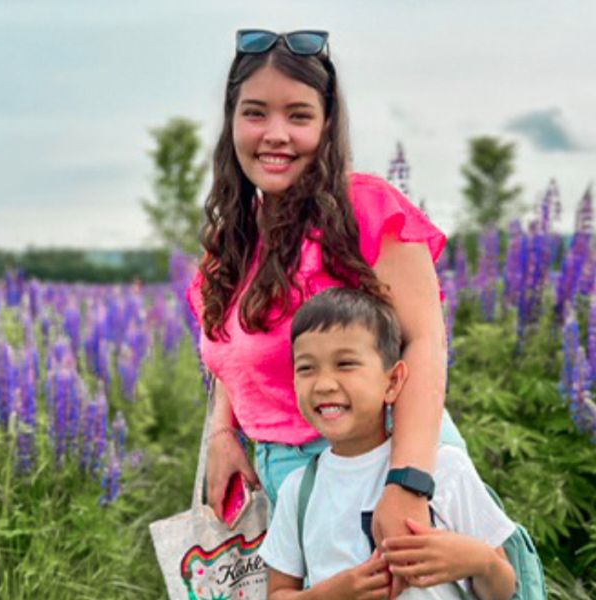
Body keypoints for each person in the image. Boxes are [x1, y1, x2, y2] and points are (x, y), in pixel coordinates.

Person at [185, 29, 467, 594]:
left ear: (328, 126)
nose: (275, 135)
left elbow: (423, 345)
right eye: (255, 113)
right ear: (232, 123)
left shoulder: (363, 208)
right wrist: (222, 434)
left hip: (378, 457)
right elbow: (232, 358)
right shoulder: (230, 246)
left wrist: (406, 482)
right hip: (291, 482)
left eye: (299, 115)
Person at [258, 287, 517, 600]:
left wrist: (480, 561)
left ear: (393, 382)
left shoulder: (444, 467)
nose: (324, 384)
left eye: (346, 364)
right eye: (306, 368)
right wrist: (334, 594)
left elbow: (503, 589)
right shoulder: (298, 491)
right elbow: (278, 593)